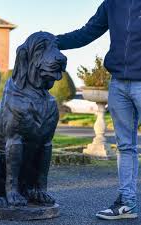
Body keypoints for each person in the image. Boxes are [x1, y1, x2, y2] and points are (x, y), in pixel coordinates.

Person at [57, 0, 141, 220]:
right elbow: (87, 33)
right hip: (119, 84)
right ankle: (127, 203)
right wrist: (54, 41)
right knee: (125, 146)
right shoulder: (112, 3)